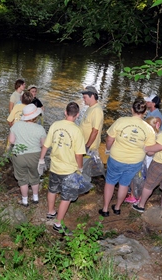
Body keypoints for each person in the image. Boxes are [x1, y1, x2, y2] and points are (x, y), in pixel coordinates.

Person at [99, 98, 156, 217]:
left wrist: (108, 149)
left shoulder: (121, 121)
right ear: (145, 112)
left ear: (132, 109)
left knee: (110, 182)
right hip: (135, 162)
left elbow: (109, 139)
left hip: (116, 158)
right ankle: (117, 208)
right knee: (124, 184)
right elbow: (150, 151)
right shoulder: (149, 129)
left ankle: (105, 209)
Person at [38, 102, 86, 236]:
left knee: (52, 189)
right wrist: (80, 169)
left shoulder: (55, 125)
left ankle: (51, 211)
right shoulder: (77, 131)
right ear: (77, 115)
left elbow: (46, 145)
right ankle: (58, 224)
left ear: (65, 112)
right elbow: (79, 154)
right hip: (69, 170)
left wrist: (41, 159)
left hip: (54, 166)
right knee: (67, 196)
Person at [9, 104, 46, 206]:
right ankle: (35, 197)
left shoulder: (16, 125)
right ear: (35, 116)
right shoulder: (40, 128)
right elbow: (43, 144)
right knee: (34, 176)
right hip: (34, 156)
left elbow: (11, 141)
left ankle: (25, 200)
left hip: (19, 155)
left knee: (22, 179)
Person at [79, 86, 104, 152]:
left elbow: (95, 131)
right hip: (83, 145)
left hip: (90, 148)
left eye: (85, 97)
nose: (83, 99)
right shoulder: (91, 108)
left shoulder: (96, 111)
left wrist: (87, 147)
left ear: (92, 96)